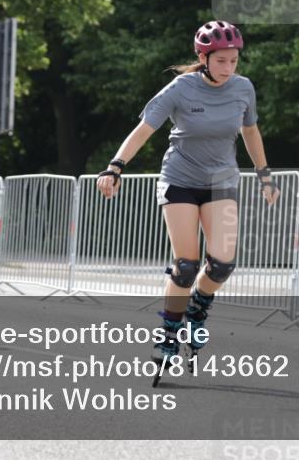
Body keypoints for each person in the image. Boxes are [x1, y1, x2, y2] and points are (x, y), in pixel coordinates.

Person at [95, 21, 279, 361]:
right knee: (186, 266)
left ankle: (197, 308)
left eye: (234, 61)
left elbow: (251, 132)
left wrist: (264, 174)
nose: (228, 68)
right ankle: (168, 333)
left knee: (222, 265)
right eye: (220, 61)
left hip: (221, 182)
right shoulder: (181, 88)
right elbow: (144, 129)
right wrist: (115, 166)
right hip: (179, 179)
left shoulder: (243, 89)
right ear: (203, 58)